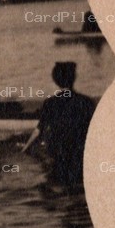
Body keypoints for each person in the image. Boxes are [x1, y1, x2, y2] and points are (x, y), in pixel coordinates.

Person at [26, 62, 96, 190]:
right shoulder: (86, 102)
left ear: (55, 80)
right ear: (74, 78)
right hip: (80, 152)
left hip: (59, 152)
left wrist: (24, 150)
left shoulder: (50, 103)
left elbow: (38, 132)